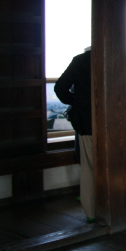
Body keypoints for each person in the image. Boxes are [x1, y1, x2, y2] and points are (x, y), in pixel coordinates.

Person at [54, 47, 95, 223]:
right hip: (113, 121)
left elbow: (60, 87)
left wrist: (76, 101)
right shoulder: (115, 58)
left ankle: (92, 212)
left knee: (88, 166)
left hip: (86, 121)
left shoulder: (80, 61)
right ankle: (114, 207)